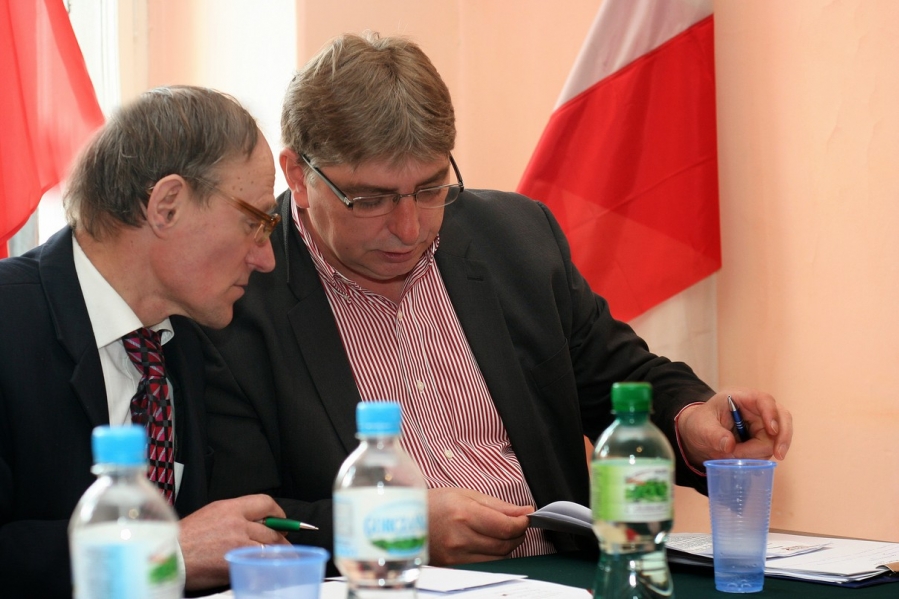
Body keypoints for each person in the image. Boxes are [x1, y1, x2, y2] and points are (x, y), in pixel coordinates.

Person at [201, 33, 793, 566]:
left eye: (430, 188)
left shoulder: (516, 238)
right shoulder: (233, 297)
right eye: (371, 200)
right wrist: (396, 528)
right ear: (299, 177)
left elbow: (621, 379)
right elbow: (242, 517)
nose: (408, 228)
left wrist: (694, 420)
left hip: (559, 577)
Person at [0, 85, 292, 598]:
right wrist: (160, 554)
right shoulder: (9, 322)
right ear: (168, 206)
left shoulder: (188, 341)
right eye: (254, 222)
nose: (265, 258)